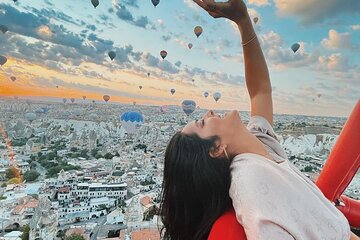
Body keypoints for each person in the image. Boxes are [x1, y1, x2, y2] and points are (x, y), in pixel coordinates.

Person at [159, 0, 358, 239]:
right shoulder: (252, 184)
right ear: (217, 148)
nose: (209, 112)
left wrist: (242, 20)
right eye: (202, 122)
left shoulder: (257, 147)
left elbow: (260, 91)